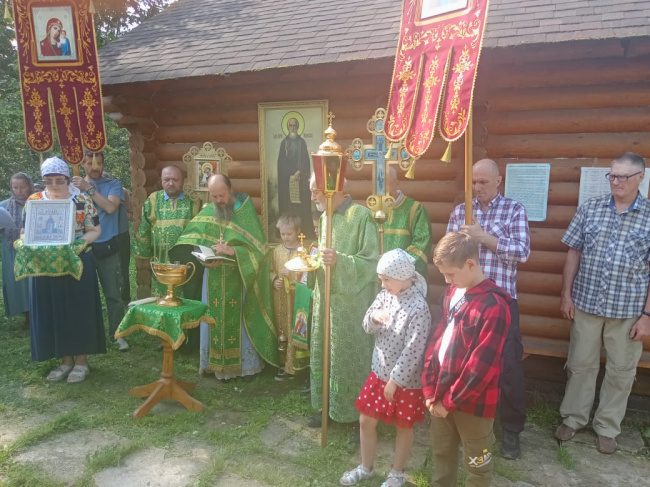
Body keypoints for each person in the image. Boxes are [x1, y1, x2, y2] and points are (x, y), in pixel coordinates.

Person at [555, 152, 650, 454]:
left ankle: (607, 427)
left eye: (623, 176)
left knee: (621, 371)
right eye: (612, 175)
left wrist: (647, 316)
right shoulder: (591, 208)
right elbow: (574, 251)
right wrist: (566, 294)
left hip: (628, 312)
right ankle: (573, 418)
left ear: (640, 178)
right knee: (580, 365)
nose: (616, 181)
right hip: (586, 305)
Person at [446, 158, 530, 459]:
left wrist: (484, 238)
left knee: (508, 366)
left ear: (498, 181)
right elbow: (448, 253)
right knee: (463, 361)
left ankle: (511, 430)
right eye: (473, 182)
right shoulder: (461, 212)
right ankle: (465, 423)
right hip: (466, 299)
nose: (477, 187)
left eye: (483, 182)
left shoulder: (514, 210)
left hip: (501, 302)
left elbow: (522, 252)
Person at [423, 231, 511, 487]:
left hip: (474, 403)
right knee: (441, 453)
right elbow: (437, 339)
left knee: (477, 464)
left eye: (451, 274)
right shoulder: (453, 292)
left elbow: (480, 367)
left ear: (471, 264)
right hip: (440, 393)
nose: (447, 280)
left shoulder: (494, 306)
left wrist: (450, 402)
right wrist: (430, 390)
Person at [340, 249, 431, 487]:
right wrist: (374, 318)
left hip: (405, 381)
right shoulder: (384, 296)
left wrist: (395, 381)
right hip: (379, 372)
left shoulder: (419, 308)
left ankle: (397, 473)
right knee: (366, 420)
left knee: (404, 426)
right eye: (381, 279)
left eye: (386, 279)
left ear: (402, 276)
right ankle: (366, 467)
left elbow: (413, 349)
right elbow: (366, 324)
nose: (383, 285)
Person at [174, 174, 278, 379]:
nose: (219, 200)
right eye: (214, 196)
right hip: (212, 277)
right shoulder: (209, 211)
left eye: (222, 195)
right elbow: (198, 240)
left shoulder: (244, 211)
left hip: (237, 277)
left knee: (237, 322)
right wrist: (203, 260)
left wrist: (234, 252)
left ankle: (243, 367)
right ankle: (212, 364)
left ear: (230, 190)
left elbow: (259, 250)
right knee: (212, 318)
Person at [308, 174, 380, 441]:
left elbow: (371, 261)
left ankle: (356, 416)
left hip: (351, 301)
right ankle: (327, 407)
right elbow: (324, 257)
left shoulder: (361, 216)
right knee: (325, 350)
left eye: (315, 191)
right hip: (326, 298)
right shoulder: (325, 217)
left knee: (349, 358)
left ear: (332, 190)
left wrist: (340, 260)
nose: (312, 197)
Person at [25, 157, 106, 383]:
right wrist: (26, 242)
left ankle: (81, 362)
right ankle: (65, 360)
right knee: (55, 311)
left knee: (78, 310)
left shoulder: (80, 200)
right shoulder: (34, 201)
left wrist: (76, 245)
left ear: (67, 179)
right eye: (48, 180)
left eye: (59, 180)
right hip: (46, 266)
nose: (54, 185)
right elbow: (25, 231)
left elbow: (94, 230)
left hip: (76, 262)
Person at [72, 151, 128, 351]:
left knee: (113, 294)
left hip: (107, 246)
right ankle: (86, 335)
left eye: (99, 163)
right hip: (82, 247)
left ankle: (117, 334)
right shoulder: (73, 187)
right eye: (89, 163)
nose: (94, 167)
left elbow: (111, 207)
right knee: (83, 294)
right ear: (82, 164)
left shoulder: (113, 184)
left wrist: (88, 189)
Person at [133, 165, 201, 297]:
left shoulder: (193, 200)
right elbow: (145, 228)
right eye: (167, 179)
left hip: (187, 262)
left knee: (188, 298)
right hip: (161, 260)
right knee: (164, 298)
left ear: (182, 181)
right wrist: (143, 255)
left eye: (175, 180)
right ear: (161, 180)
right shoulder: (153, 200)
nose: (171, 183)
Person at [270, 213, 310, 380]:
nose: (285, 237)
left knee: (296, 328)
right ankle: (281, 363)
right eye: (282, 234)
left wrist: (292, 275)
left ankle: (296, 365)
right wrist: (274, 281)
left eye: (289, 233)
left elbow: (307, 274)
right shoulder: (276, 251)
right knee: (281, 328)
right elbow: (270, 270)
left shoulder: (304, 252)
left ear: (298, 231)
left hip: (296, 298)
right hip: (280, 298)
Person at [384, 167, 433, 278]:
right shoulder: (374, 210)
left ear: (396, 183)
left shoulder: (415, 209)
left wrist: (396, 264)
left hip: (404, 275)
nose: (381, 187)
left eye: (385, 182)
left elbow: (422, 243)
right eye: (377, 183)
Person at [0, 173, 34, 328]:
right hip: (12, 249)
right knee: (17, 282)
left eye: (22, 187)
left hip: (31, 249)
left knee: (32, 280)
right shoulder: (4, 206)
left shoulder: (36, 201)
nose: (19, 191)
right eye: (15, 187)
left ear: (29, 186)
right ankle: (26, 314)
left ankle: (36, 312)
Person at [277, 117, 313, 237]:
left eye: (294, 126)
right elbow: (281, 163)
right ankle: (288, 231)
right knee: (289, 206)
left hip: (300, 182)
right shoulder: (284, 143)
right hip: (288, 182)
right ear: (288, 127)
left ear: (297, 127)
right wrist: (288, 176)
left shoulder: (301, 142)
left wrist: (299, 172)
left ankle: (302, 231)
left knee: (300, 206)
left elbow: (306, 161)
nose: (292, 128)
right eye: (290, 126)